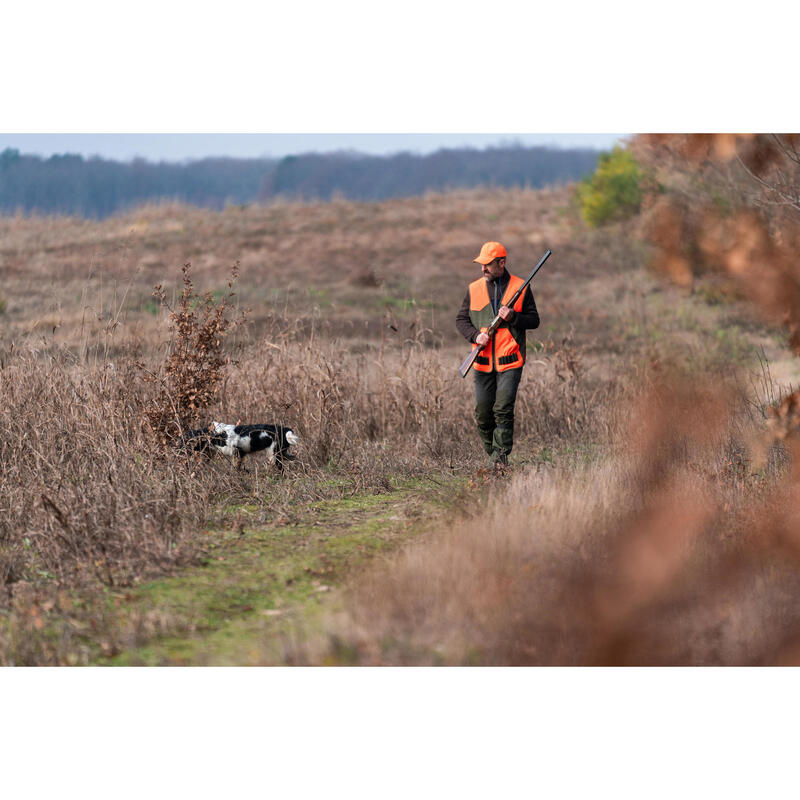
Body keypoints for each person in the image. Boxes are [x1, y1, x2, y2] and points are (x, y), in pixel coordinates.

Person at [456, 241, 540, 467]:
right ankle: (493, 453)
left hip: (510, 360)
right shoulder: (473, 289)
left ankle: (499, 461)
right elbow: (461, 320)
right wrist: (475, 336)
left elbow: (534, 320)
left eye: (487, 264)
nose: (482, 269)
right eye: (481, 264)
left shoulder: (520, 287)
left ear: (501, 263)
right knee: (483, 414)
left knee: (503, 409)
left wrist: (514, 317)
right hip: (482, 361)